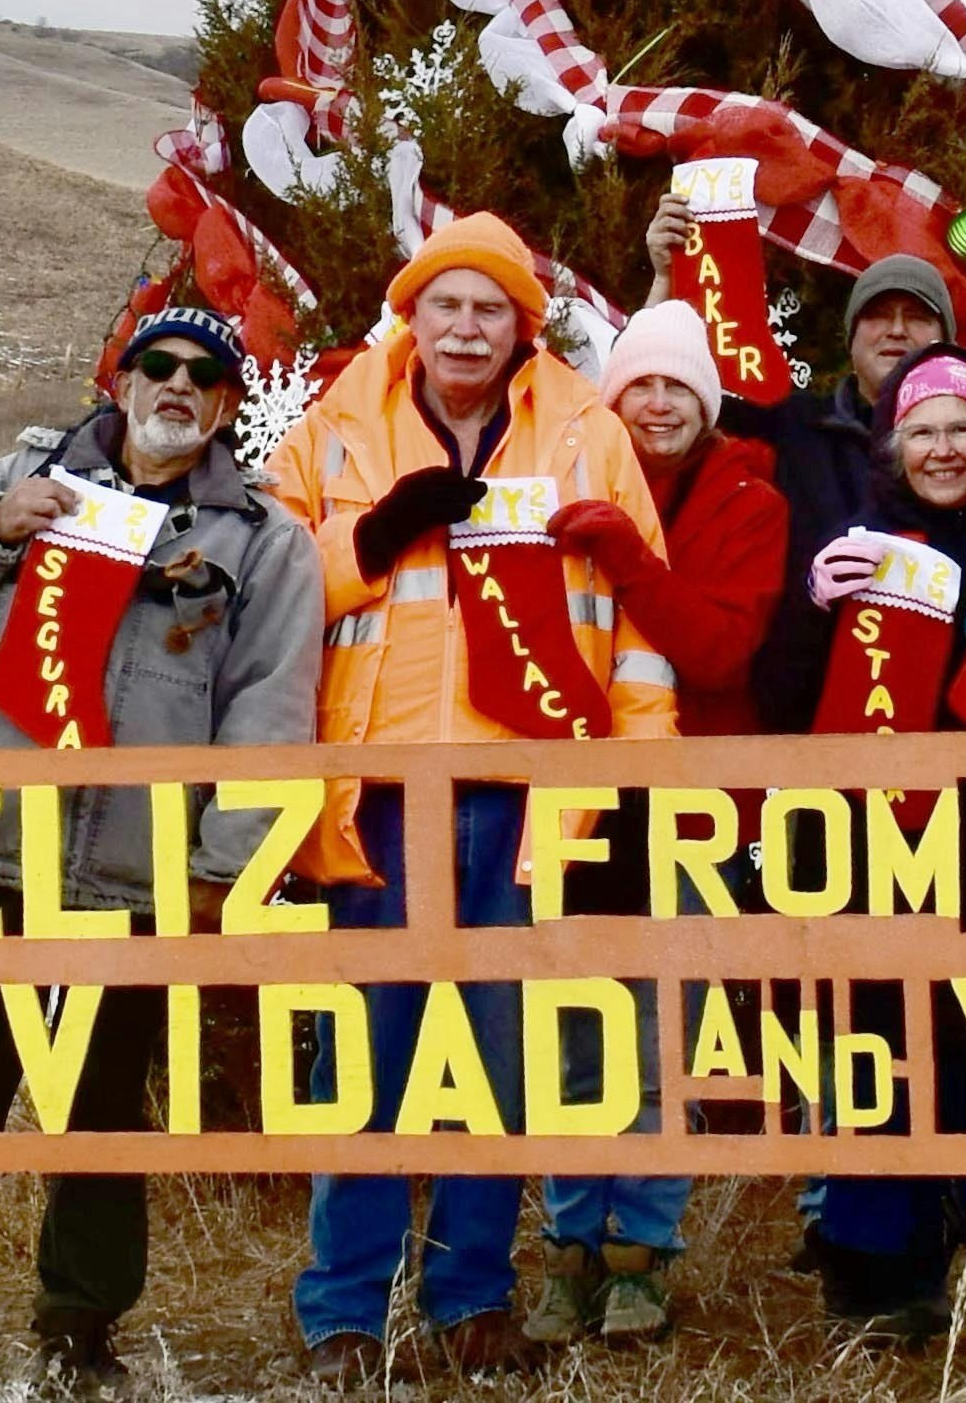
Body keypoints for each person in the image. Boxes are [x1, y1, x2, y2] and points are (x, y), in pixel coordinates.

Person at [0, 308, 322, 1400]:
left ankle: (78, 1332)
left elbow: (270, 711)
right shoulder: (25, 474)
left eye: (204, 375)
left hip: (141, 866)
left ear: (223, 406)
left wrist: (220, 865)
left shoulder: (261, 537)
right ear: (119, 380)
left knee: (103, 1107)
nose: (176, 384)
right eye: (156, 364)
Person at [267, 213, 680, 1384]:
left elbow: (638, 628)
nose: (464, 327)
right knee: (365, 1064)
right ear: (413, 316)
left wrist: (619, 787)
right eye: (444, 304)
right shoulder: (336, 428)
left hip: (522, 799)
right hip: (373, 798)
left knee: (498, 1062)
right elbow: (271, 585)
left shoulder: (588, 435)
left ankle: (472, 1300)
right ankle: (342, 1312)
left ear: (520, 329)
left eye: (488, 308)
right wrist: (378, 534)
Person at [523, 299, 790, 1345]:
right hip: (577, 788)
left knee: (662, 1030)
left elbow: (717, 653)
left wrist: (630, 559)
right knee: (573, 1026)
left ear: (707, 402)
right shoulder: (568, 477)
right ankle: (566, 1247)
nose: (660, 401)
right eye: (640, 383)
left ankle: (639, 1253)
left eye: (681, 384)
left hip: (692, 801)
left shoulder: (745, 501)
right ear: (611, 397)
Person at [768, 342, 966, 1341]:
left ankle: (932, 1237)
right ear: (894, 444)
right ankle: (861, 1266)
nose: (943, 449)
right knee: (870, 1040)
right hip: (873, 839)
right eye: (923, 431)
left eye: (962, 430)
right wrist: (818, 609)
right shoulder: (861, 537)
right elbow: (788, 695)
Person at [644, 196, 966, 729]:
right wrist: (667, 284)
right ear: (851, 340)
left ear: (946, 341)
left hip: (950, 728)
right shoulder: (794, 426)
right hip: (808, 722)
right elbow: (666, 396)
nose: (897, 330)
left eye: (917, 317)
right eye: (878, 316)